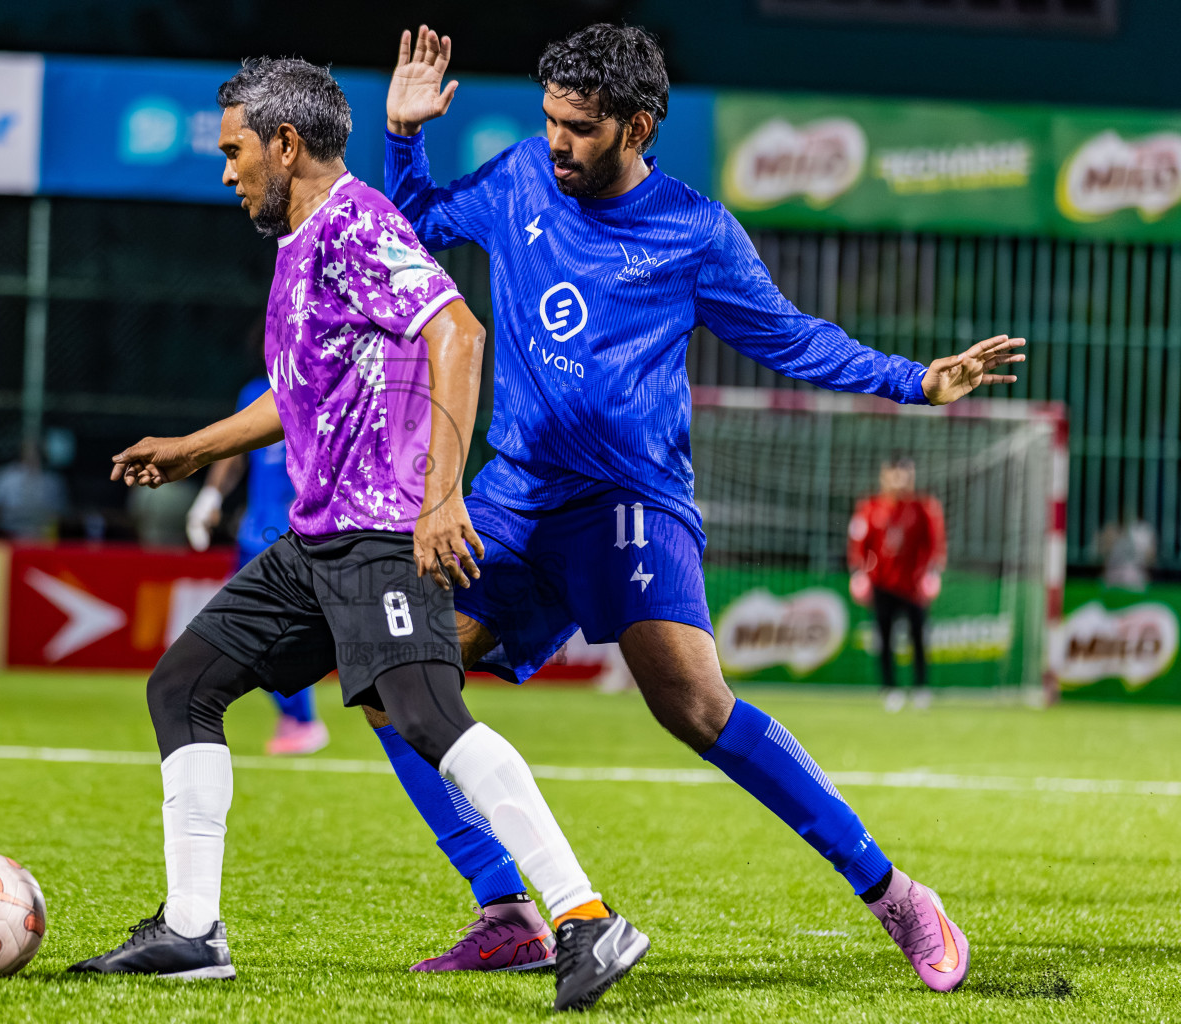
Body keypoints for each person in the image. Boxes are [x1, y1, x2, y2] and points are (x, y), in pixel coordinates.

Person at [366, 23, 1026, 992]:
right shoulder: (518, 180)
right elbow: (410, 228)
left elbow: (795, 340)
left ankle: (895, 895)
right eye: (550, 121)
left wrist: (917, 380)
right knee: (395, 683)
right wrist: (404, 138)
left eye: (581, 129)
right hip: (515, 493)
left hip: (631, 501)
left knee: (693, 705)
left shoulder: (695, 232)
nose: (556, 142)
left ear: (637, 127)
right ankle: (507, 909)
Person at [67, 57, 648, 1012]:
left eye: (235, 151)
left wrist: (439, 498)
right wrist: (188, 450)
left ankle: (585, 915)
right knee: (185, 686)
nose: (228, 172)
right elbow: (300, 399)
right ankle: (190, 930)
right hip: (316, 543)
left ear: (284, 145)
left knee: (426, 717)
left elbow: (458, 333)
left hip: (381, 533)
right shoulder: (302, 244)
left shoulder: (352, 222)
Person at [187, 372, 331, 755]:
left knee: (258, 630)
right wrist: (210, 498)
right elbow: (234, 451)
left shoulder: (331, 383)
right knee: (245, 628)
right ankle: (296, 716)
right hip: (255, 532)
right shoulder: (255, 392)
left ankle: (303, 719)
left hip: (299, 530)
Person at [848, 456, 947, 712]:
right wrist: (859, 573)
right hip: (883, 584)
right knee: (885, 638)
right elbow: (859, 545)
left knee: (918, 637)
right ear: (884, 476)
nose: (900, 480)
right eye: (895, 474)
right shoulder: (870, 507)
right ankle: (890, 689)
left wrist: (932, 573)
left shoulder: (924, 508)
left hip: (913, 586)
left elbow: (935, 545)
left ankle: (921, 688)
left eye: (906, 474)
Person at [0, 441, 69, 541]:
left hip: (43, 538)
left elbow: (61, 514)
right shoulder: (5, 476)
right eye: (29, 451)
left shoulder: (52, 480)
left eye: (37, 451)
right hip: (8, 535)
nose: (33, 455)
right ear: (21, 452)